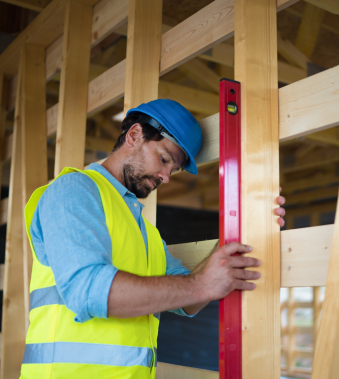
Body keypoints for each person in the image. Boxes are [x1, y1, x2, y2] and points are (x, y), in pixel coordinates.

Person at [19, 99, 286, 379]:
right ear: (134, 135)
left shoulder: (146, 233)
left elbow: (187, 299)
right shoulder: (73, 190)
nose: (166, 177)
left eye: (173, 169)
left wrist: (241, 226)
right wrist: (200, 285)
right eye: (164, 159)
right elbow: (88, 291)